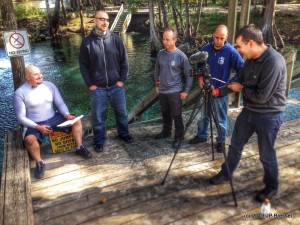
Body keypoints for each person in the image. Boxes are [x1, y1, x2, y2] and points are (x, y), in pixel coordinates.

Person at [209, 24, 287, 202]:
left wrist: (240, 88)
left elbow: (261, 97)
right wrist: (219, 91)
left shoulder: (274, 62)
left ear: (250, 43)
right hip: (249, 111)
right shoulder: (250, 58)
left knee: (266, 154)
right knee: (235, 145)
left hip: (269, 115)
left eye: (239, 46)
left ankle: (271, 186)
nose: (237, 49)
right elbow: (238, 78)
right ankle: (226, 173)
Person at [13, 65, 92, 179]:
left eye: (40, 73)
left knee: (76, 121)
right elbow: (21, 117)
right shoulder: (20, 93)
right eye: (36, 74)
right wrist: (37, 127)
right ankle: (40, 162)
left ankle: (79, 147)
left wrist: (66, 114)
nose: (40, 76)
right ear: (27, 77)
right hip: (35, 123)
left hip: (54, 117)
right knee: (29, 139)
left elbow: (60, 103)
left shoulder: (49, 85)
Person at [79, 10, 133, 153]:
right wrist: (90, 84)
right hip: (98, 88)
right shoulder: (87, 42)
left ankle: (124, 134)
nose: (105, 22)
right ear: (95, 20)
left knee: (121, 112)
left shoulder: (115, 39)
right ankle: (99, 140)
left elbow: (124, 62)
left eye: (107, 20)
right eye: (101, 19)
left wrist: (122, 80)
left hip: (116, 86)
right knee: (98, 116)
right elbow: (83, 66)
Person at [189, 24, 244, 153]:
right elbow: (199, 67)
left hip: (220, 93)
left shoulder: (231, 52)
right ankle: (202, 135)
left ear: (226, 37)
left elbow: (242, 71)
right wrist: (201, 80)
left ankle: (221, 141)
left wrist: (228, 85)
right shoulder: (205, 49)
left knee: (221, 119)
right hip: (205, 90)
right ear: (213, 35)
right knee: (203, 116)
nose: (219, 41)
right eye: (216, 37)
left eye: (222, 38)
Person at [154, 28, 193, 149]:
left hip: (175, 92)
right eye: (163, 39)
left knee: (177, 116)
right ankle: (166, 132)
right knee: (165, 114)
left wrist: (186, 91)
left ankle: (179, 137)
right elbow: (156, 71)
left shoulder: (181, 56)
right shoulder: (160, 53)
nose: (165, 42)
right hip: (162, 91)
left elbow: (189, 75)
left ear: (175, 39)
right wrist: (157, 84)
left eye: (168, 39)